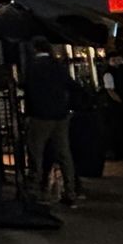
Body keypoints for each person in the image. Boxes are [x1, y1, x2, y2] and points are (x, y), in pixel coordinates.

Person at [23, 38, 82, 206]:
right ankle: (70, 191)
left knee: (36, 152)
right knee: (64, 153)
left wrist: (29, 112)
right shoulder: (58, 66)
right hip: (60, 115)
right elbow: (73, 85)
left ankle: (35, 189)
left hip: (40, 116)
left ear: (34, 49)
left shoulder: (33, 67)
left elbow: (29, 91)